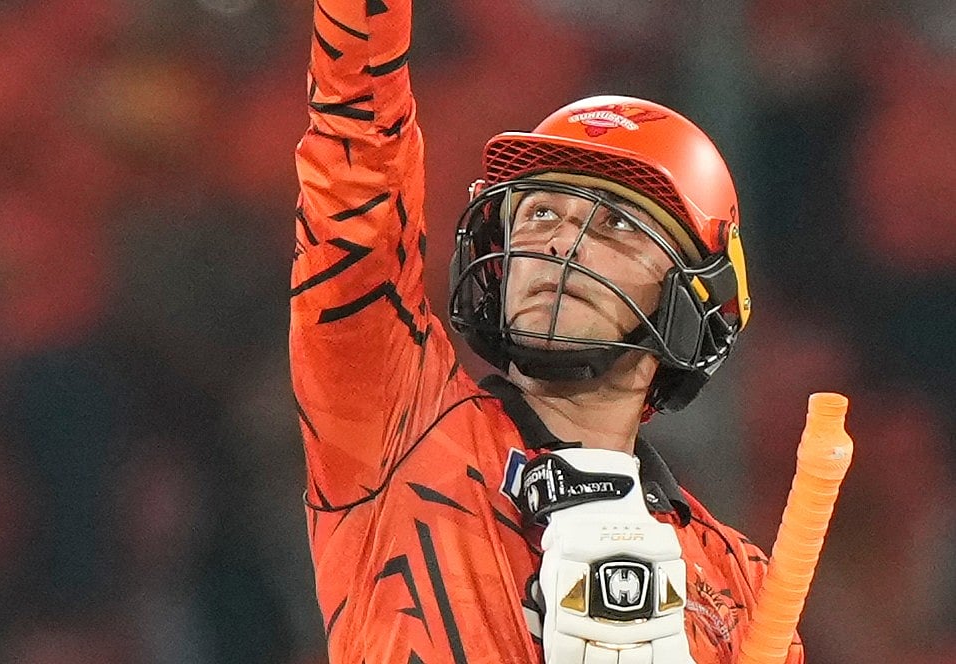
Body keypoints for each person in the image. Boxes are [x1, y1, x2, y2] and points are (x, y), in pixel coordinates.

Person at [291, 1, 803, 662]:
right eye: (535, 213)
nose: (558, 242)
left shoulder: (744, 589)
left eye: (616, 223)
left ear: (691, 292)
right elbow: (353, 159)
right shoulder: (397, 425)